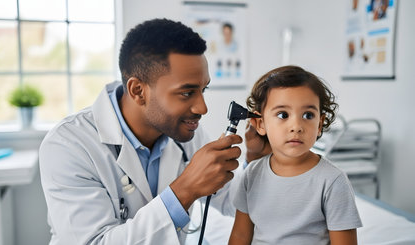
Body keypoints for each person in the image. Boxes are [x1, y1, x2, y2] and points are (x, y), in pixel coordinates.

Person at [39, 18, 252, 244]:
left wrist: (257, 161)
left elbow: (231, 199)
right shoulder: (69, 145)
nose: (202, 108)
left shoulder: (186, 132)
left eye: (203, 90)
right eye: (187, 93)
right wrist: (185, 190)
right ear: (138, 90)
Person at [228, 65, 363, 245]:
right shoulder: (251, 174)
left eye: (308, 115)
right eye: (283, 114)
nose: (296, 126)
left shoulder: (332, 181)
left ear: (320, 124)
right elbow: (240, 236)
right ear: (260, 124)